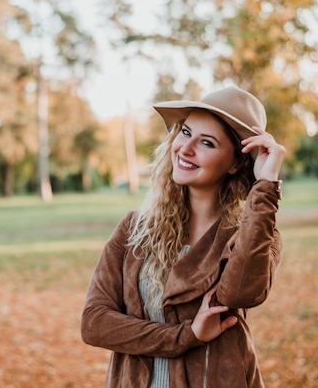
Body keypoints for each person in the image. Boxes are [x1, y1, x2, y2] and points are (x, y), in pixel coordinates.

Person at [81, 85, 286, 387]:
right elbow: (95, 324)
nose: (186, 149)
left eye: (207, 142)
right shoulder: (134, 229)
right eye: (186, 132)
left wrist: (266, 186)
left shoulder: (254, 233)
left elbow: (241, 293)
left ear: (235, 163)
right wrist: (186, 336)